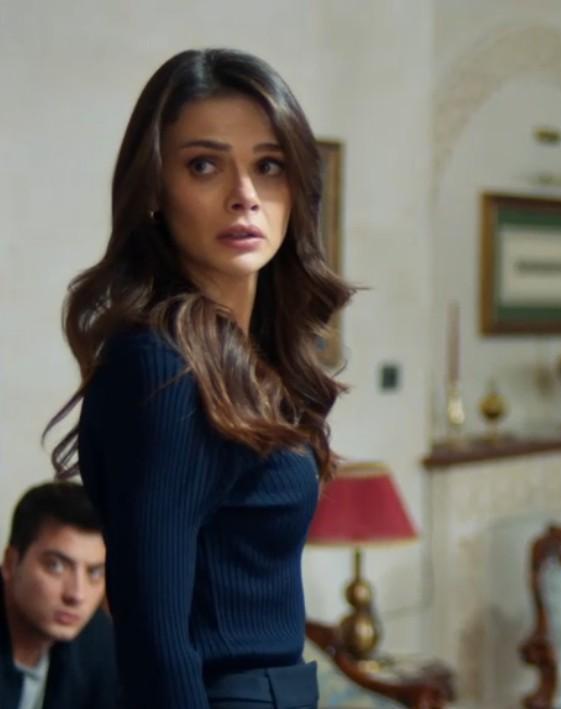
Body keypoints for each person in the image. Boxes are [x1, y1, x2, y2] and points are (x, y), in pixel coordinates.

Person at [44, 48, 353, 709]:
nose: (245, 194)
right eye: (204, 165)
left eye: (268, 165)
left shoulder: (249, 358)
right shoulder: (161, 367)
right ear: (155, 191)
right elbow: (156, 639)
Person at [1, 482, 117, 709]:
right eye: (55, 566)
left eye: (95, 573)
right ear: (11, 563)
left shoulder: (98, 642)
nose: (76, 594)